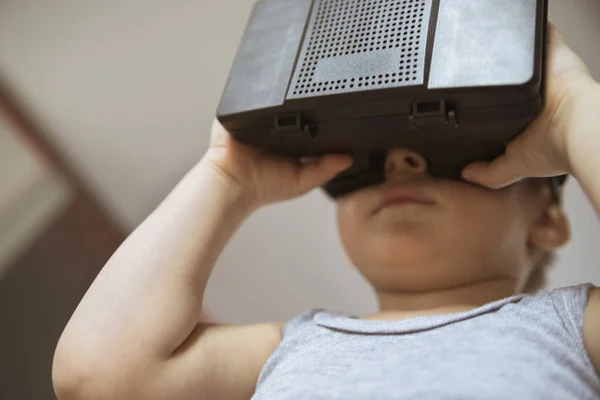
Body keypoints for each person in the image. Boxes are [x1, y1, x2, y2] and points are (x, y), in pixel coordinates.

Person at [52, 24, 600, 399]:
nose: (400, 162)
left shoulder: (573, 328)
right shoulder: (291, 346)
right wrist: (228, 177)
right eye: (368, 159)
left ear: (547, 220)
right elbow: (98, 376)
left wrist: (573, 112)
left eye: (449, 151)